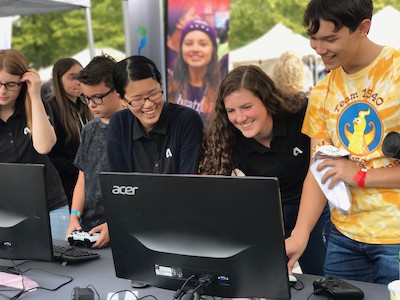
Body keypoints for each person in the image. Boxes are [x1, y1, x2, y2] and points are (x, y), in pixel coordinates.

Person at [285, 0, 400, 284]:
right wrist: (300, 234)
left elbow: (348, 173)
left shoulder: (396, 73)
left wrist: (360, 176)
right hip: (342, 239)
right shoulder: (323, 90)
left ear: (363, 28)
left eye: (330, 38)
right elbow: (319, 170)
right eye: (313, 38)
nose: (319, 48)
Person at [198, 65, 330, 276]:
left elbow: (321, 171)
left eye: (247, 107)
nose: (240, 118)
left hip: (312, 212)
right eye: (231, 111)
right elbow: (213, 189)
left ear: (267, 99)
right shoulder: (227, 135)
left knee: (323, 277)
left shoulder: (302, 114)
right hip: (270, 217)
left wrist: (301, 231)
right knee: (268, 281)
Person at [0, 49, 68, 240]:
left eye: (10, 84)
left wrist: (35, 96)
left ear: (23, 83)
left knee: (57, 268)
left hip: (49, 205)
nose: (3, 91)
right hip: (6, 211)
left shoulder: (37, 106)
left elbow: (44, 146)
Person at [108, 55, 203, 174]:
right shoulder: (119, 124)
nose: (148, 104)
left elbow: (188, 180)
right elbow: (119, 183)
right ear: (122, 100)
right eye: (137, 99)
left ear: (161, 85)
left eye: (153, 94)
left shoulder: (186, 120)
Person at [66, 55, 123, 249]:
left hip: (120, 230)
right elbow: (83, 179)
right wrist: (74, 216)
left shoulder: (133, 128)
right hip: (88, 229)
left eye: (97, 97)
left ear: (118, 90)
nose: (90, 104)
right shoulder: (88, 129)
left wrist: (117, 225)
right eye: (86, 98)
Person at [47, 58, 93, 207]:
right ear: (58, 79)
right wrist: (77, 166)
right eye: (72, 77)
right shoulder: (51, 108)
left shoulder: (85, 105)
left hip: (85, 182)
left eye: (81, 75)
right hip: (64, 188)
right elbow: (49, 157)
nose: (78, 81)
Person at [167, 18, 221, 123]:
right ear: (181, 48)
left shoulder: (222, 92)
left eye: (203, 44)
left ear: (213, 50)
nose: (195, 49)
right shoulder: (168, 87)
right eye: (188, 43)